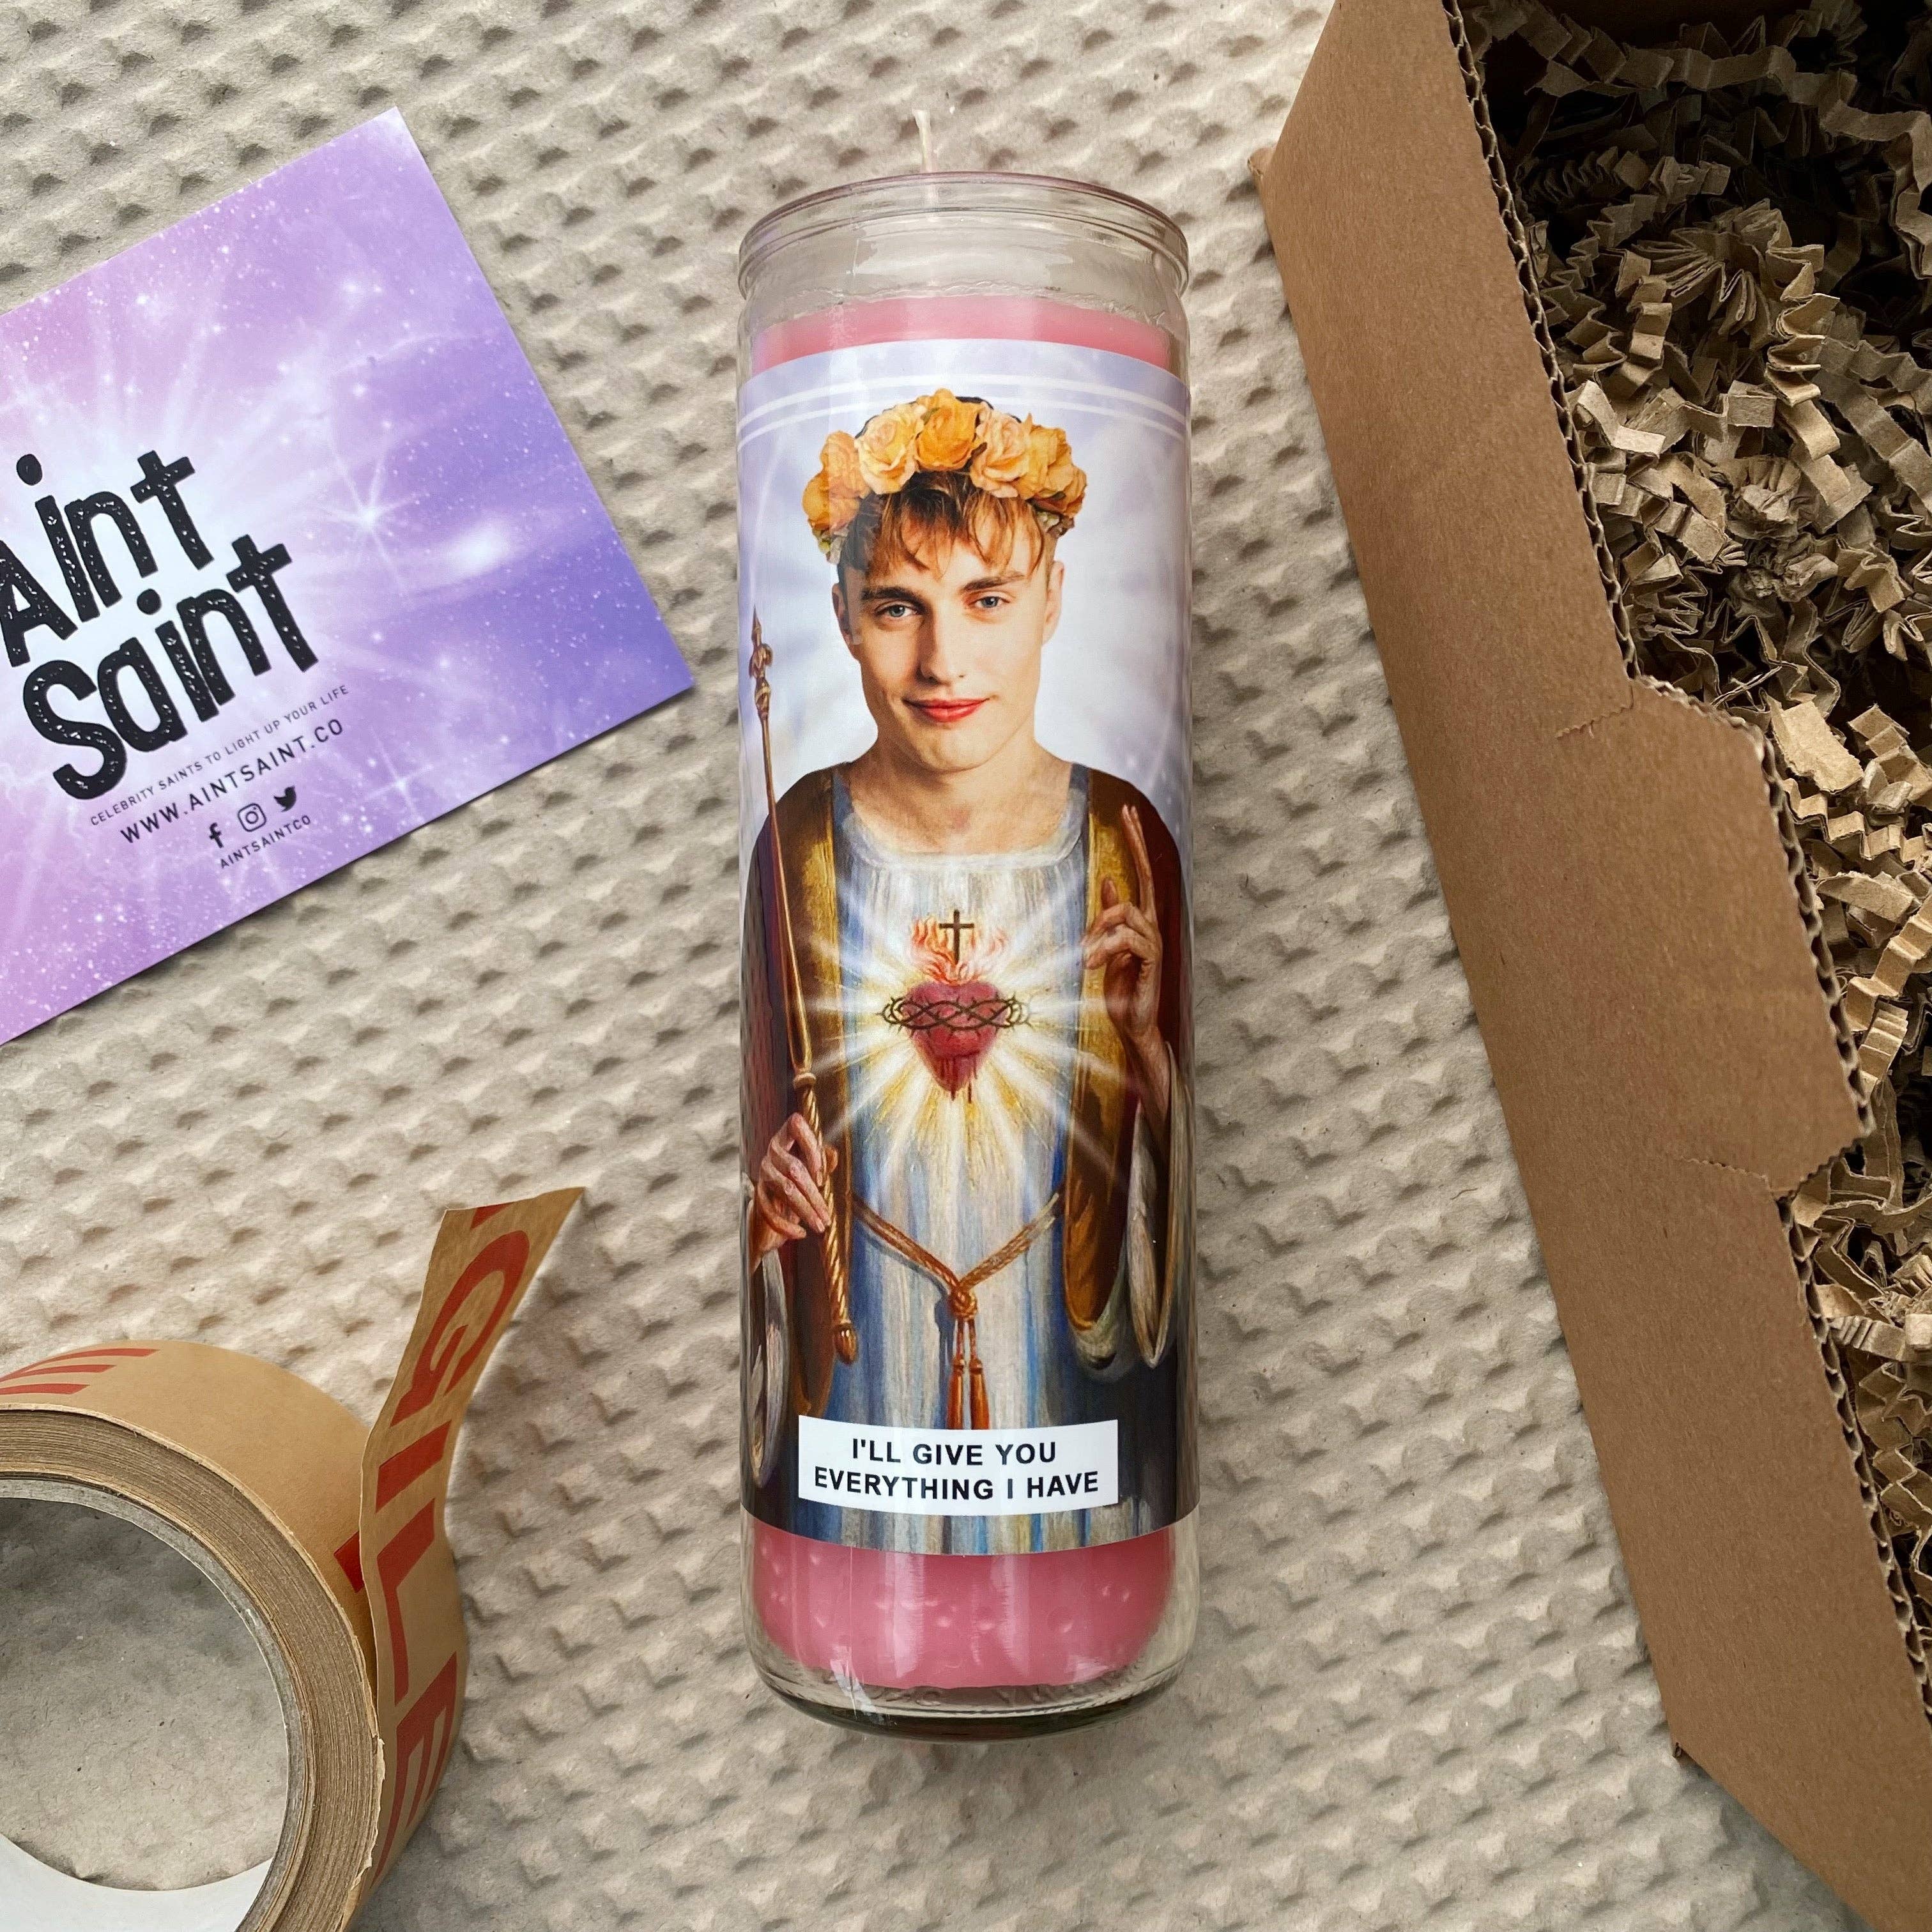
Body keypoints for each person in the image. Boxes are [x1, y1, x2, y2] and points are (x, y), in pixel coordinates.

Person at [742, 389, 1193, 1554]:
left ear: (1053, 599)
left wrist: (1146, 1056)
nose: (943, 660)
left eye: (987, 599)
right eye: (898, 606)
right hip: (863, 1387)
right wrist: (771, 1213)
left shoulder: (1122, 841)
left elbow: (1164, 1164)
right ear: (843, 616)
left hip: (1065, 1388)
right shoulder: (800, 846)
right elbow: (765, 1119)